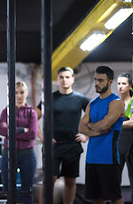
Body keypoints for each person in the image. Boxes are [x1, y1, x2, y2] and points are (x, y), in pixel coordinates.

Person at [35, 67, 89, 204]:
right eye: (61, 77)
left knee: (70, 181)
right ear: (58, 79)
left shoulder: (81, 99)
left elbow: (94, 118)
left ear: (72, 79)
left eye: (67, 77)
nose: (64, 80)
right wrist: (42, 137)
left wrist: (87, 136)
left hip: (73, 145)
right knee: (49, 180)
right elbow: (33, 118)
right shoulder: (49, 98)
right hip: (53, 146)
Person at [79, 66, 125, 204]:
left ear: (110, 82)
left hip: (108, 159)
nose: (96, 83)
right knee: (96, 198)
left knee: (115, 197)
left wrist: (90, 126)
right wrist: (95, 128)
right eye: (95, 80)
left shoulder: (116, 102)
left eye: (100, 80)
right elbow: (81, 127)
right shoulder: (92, 104)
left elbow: (105, 125)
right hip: (92, 159)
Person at [0, 81, 38, 204]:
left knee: (27, 190)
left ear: (26, 93)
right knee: (8, 190)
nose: (19, 95)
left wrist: (11, 132)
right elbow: (1, 130)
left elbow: (32, 134)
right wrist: (22, 130)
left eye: (21, 92)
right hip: (8, 154)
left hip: (28, 155)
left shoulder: (32, 113)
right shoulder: (6, 112)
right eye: (15, 93)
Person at [117, 72, 133, 204]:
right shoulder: (114, 102)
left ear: (130, 86)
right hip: (117, 146)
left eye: (124, 84)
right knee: (115, 181)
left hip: (132, 147)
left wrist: (115, 125)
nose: (120, 86)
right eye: (119, 83)